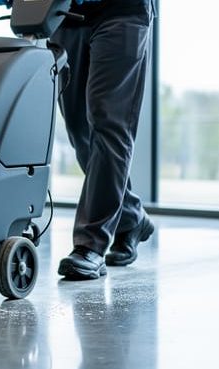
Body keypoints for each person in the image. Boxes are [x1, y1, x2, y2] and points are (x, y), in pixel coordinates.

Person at [52, 0, 157, 280]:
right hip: (65, 15)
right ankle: (131, 216)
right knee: (79, 129)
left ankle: (91, 244)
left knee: (109, 121)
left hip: (121, 12)